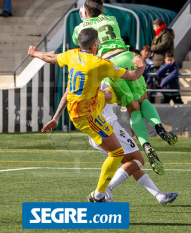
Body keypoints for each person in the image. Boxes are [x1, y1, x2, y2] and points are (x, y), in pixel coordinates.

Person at [28, 27, 145, 202]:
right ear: (96, 43)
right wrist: (141, 64)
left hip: (83, 102)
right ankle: (98, 195)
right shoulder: (99, 64)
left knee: (109, 93)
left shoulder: (72, 54)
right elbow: (132, 75)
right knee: (117, 153)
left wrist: (35, 53)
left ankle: (121, 108)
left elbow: (51, 57)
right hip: (86, 115)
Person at [73, 0, 178, 176]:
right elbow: (102, 18)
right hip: (126, 55)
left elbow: (81, 41)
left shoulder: (80, 27)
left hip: (110, 63)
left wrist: (84, 19)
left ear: (86, 12)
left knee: (132, 106)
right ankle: (159, 127)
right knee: (143, 99)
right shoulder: (111, 19)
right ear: (102, 9)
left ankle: (146, 145)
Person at [43, 81, 179, 205]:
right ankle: (104, 190)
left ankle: (159, 195)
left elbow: (67, 95)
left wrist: (55, 118)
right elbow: (115, 96)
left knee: (130, 164)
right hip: (108, 127)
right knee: (138, 160)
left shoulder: (77, 76)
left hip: (95, 131)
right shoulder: (102, 73)